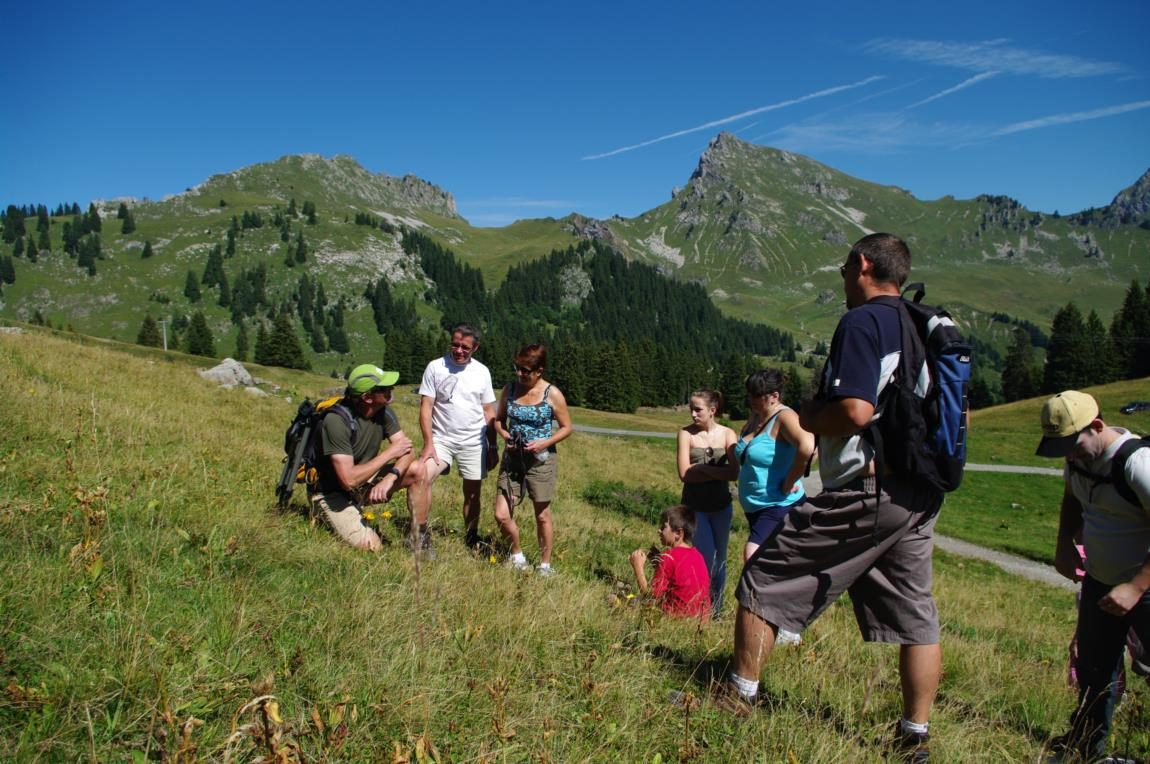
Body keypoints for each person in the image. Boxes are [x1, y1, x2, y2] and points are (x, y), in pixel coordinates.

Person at [720, 233, 944, 764]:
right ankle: (914, 736)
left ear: (864, 265)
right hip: (918, 490)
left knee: (764, 578)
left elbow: (856, 412)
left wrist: (812, 415)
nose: (843, 277)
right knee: (917, 616)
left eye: (845, 267)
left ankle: (737, 698)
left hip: (868, 486)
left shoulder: (863, 321)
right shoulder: (920, 323)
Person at [1034, 390, 1150, 762]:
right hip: (1102, 583)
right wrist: (1064, 544)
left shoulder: (1137, 465)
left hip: (1143, 588)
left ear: (1097, 426)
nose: (1068, 454)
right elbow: (1071, 498)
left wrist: (1135, 587)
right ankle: (1087, 747)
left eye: (1072, 444)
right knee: (1094, 670)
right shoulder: (1079, 459)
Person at [734, 369, 815, 644]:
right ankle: (780, 621)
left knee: (753, 555)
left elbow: (807, 444)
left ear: (773, 396)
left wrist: (791, 479)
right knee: (775, 563)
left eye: (755, 396)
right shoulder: (758, 417)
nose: (750, 401)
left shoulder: (785, 417)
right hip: (757, 507)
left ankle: (780, 623)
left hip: (780, 504)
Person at [309, 363, 426, 552]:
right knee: (373, 546)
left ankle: (420, 538)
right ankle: (321, 513)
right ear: (367, 397)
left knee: (419, 469)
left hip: (362, 481)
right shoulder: (336, 421)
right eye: (384, 389)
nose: (391, 391)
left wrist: (390, 478)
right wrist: (389, 453)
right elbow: (348, 480)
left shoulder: (384, 412)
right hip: (332, 492)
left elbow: (408, 451)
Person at [414, 324, 499, 557]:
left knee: (473, 492)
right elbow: (426, 407)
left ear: (475, 348)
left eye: (465, 347)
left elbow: (488, 410)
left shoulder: (482, 372)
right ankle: (420, 534)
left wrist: (492, 445)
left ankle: (472, 536)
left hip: (474, 440)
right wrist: (428, 442)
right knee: (422, 477)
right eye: (455, 344)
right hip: (441, 439)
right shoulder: (435, 367)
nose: (459, 350)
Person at [492, 344, 573, 575]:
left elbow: (567, 428)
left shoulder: (552, 394)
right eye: (517, 368)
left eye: (525, 370)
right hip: (513, 458)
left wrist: (544, 442)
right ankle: (517, 555)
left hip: (541, 460)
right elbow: (499, 420)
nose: (520, 374)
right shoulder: (510, 389)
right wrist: (504, 433)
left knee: (542, 514)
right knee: (501, 513)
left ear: (539, 371)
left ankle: (545, 565)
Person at [677, 389, 738, 618]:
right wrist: (718, 472)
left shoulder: (727, 434)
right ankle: (698, 605)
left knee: (720, 559)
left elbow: (734, 472)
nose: (693, 414)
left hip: (721, 507)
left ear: (712, 410)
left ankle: (716, 609)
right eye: (691, 409)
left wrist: (701, 469)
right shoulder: (686, 434)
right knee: (707, 556)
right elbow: (684, 473)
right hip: (695, 508)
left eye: (698, 409)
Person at [629, 505, 711, 620]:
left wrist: (638, 568)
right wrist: (658, 562)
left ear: (678, 533)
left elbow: (651, 597)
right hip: (699, 621)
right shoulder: (698, 556)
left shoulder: (668, 557)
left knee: (625, 600)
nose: (659, 530)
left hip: (674, 619)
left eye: (663, 527)